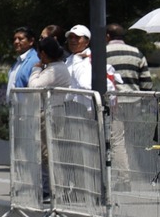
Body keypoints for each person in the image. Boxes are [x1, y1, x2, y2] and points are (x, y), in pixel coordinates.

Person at [28, 37, 71, 202]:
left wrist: (35, 70)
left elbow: (34, 86)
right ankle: (53, 187)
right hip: (54, 111)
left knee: (48, 153)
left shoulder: (54, 70)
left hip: (50, 113)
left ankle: (52, 189)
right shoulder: (58, 67)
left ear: (44, 53)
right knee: (50, 152)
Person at [64, 24, 118, 93]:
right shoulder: (68, 60)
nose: (72, 40)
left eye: (77, 37)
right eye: (70, 37)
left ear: (87, 42)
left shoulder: (93, 60)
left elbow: (86, 84)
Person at [105, 24, 152, 92]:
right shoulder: (137, 53)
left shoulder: (101, 53)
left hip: (110, 97)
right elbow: (146, 83)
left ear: (107, 36)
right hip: (134, 98)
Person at [7, 26, 38, 98]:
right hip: (14, 104)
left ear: (31, 41)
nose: (16, 42)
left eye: (20, 39)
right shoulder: (18, 62)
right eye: (15, 39)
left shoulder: (35, 60)